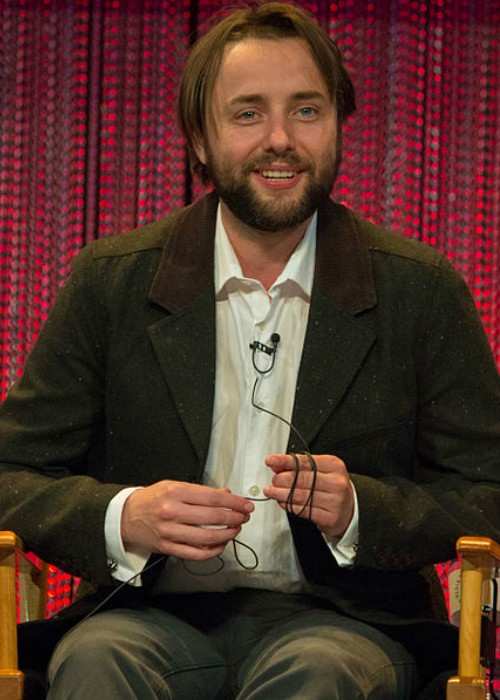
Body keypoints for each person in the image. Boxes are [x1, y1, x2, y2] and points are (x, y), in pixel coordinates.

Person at [1, 3, 499, 699]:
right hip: (145, 616)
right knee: (97, 662)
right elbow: (12, 472)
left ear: (337, 126)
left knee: (317, 673)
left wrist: (362, 508)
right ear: (199, 141)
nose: (280, 140)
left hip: (344, 622)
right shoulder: (112, 281)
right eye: (247, 114)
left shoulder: (419, 288)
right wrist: (126, 517)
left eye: (305, 111)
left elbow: (485, 490)